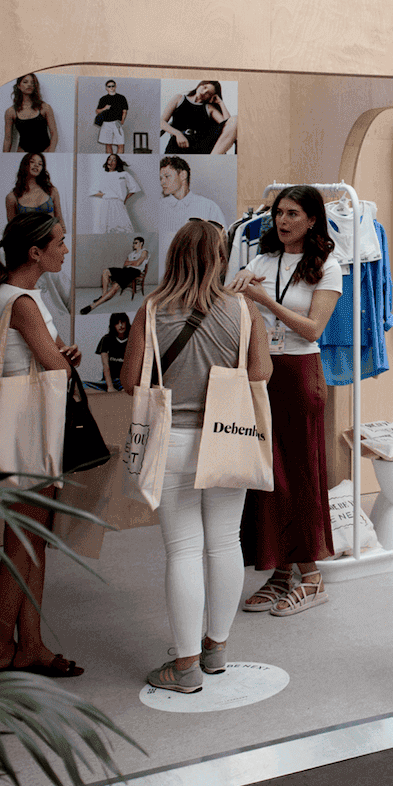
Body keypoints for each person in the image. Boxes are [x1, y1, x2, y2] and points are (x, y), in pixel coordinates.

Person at [121, 220, 272, 693]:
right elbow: (260, 373)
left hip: (172, 441)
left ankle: (184, 666)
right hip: (228, 435)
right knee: (225, 542)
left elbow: (130, 381)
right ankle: (216, 649)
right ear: (221, 259)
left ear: (173, 257)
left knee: (183, 549)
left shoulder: (151, 308)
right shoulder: (243, 309)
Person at [0, 213, 83, 678]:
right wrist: (64, 359)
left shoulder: (24, 297)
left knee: (31, 541)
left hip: (31, 426)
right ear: (35, 252)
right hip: (30, 431)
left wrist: (65, 355)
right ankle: (0, 648)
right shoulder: (20, 302)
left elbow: (57, 354)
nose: (65, 250)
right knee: (21, 544)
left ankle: (30, 645)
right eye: (59, 243)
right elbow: (57, 366)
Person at [229, 186, 342, 615]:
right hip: (262, 371)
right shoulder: (261, 261)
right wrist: (241, 293)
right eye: (279, 212)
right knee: (269, 476)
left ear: (312, 220)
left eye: (293, 213)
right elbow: (233, 303)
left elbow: (313, 329)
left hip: (300, 373)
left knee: (300, 475)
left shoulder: (328, 266)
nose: (282, 220)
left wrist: (264, 300)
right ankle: (280, 570)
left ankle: (311, 577)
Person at [159, 156, 226, 264]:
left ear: (183, 175)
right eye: (161, 178)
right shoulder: (158, 208)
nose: (162, 182)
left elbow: (222, 244)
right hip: (165, 270)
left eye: (167, 176)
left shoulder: (209, 207)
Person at [161, 80, 237, 155]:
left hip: (199, 146)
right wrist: (177, 133)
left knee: (236, 119)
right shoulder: (179, 98)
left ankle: (212, 158)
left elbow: (230, 125)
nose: (204, 92)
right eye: (205, 87)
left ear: (211, 97)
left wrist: (220, 102)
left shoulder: (209, 108)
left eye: (208, 93)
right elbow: (161, 122)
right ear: (200, 85)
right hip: (177, 142)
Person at [79, 236, 149, 313]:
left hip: (134, 271)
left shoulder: (144, 251)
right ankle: (104, 295)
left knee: (116, 286)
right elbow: (125, 264)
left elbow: (138, 263)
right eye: (133, 243)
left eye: (136, 243)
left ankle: (93, 306)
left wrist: (131, 262)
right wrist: (133, 262)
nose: (134, 244)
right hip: (125, 270)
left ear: (141, 243)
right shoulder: (131, 254)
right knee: (106, 271)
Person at [6, 153, 64, 229]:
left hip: (50, 235)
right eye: (32, 162)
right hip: (27, 236)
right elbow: (12, 229)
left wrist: (63, 234)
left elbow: (60, 220)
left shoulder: (52, 191)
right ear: (25, 165)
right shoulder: (12, 197)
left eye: (40, 164)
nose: (36, 165)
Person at [3, 73, 58, 153]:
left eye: (32, 83)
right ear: (18, 86)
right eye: (25, 82)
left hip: (45, 151)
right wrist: (4, 157)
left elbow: (54, 135)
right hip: (23, 152)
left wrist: (50, 154)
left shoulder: (45, 107)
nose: (29, 85)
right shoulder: (11, 112)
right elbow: (7, 139)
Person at [88, 152, 138, 232]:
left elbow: (134, 188)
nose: (110, 162)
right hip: (104, 205)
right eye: (109, 159)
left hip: (118, 204)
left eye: (113, 160)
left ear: (117, 163)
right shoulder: (102, 175)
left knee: (122, 229)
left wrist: (125, 199)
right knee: (103, 228)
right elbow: (92, 191)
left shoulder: (124, 174)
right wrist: (105, 195)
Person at [94, 312, 131, 391]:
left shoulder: (133, 339)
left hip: (127, 381)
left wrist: (129, 386)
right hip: (108, 381)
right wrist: (110, 387)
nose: (120, 325)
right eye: (117, 323)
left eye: (122, 322)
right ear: (113, 325)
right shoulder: (106, 339)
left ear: (126, 322)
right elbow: (105, 366)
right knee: (83, 386)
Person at [94, 79, 128, 153]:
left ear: (115, 86)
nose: (111, 88)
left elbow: (124, 110)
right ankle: (110, 159)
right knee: (108, 144)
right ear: (106, 88)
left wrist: (122, 119)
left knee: (120, 144)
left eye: (113, 86)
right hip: (106, 123)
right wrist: (105, 108)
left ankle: (119, 159)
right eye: (109, 86)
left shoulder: (121, 98)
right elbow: (97, 111)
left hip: (117, 122)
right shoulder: (103, 99)